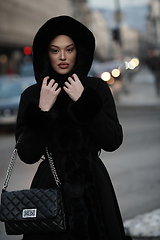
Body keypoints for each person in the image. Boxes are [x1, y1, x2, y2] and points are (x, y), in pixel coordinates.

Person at [15, 15, 131, 240]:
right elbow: (27, 155)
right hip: (48, 187)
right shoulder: (32, 95)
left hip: (94, 187)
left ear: (79, 50)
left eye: (69, 49)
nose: (62, 57)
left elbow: (113, 140)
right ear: (45, 53)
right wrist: (43, 109)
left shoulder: (95, 88)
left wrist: (84, 102)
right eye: (55, 50)